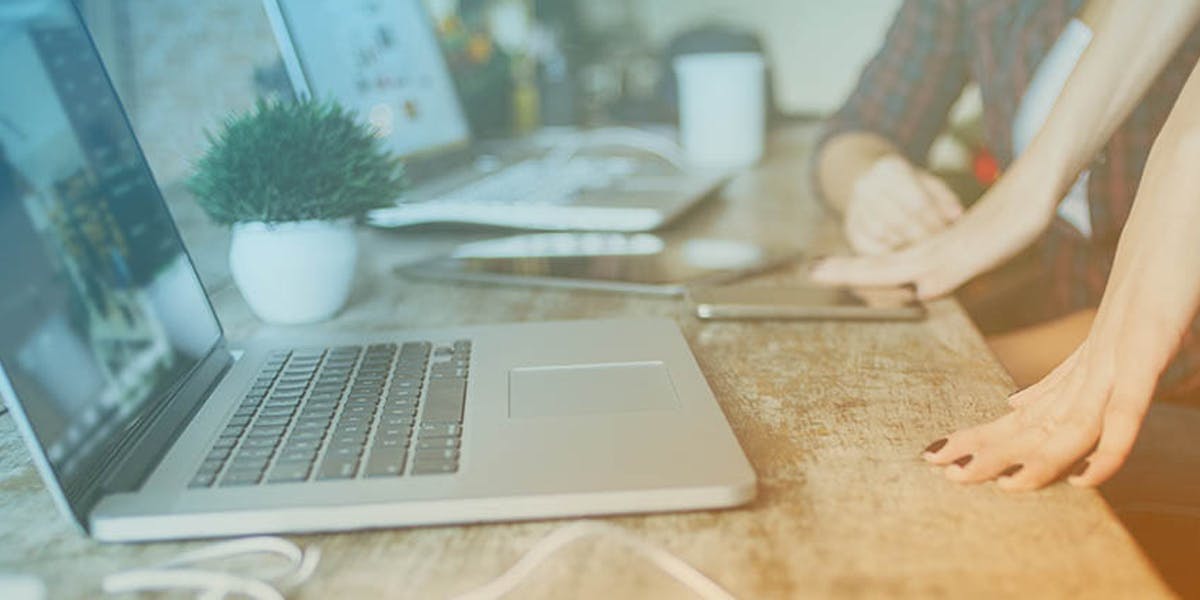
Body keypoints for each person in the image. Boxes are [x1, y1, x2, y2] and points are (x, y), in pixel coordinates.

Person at [809, 0, 1200, 489]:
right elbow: (858, 127)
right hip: (1084, 340)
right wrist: (1017, 201)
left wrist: (949, 366)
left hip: (1163, 389)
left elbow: (1176, 329)